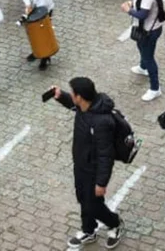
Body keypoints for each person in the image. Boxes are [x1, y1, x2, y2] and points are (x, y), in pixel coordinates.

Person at [51, 77, 126, 249]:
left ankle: (115, 223)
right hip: (81, 164)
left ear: (80, 97)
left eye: (72, 93)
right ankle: (88, 230)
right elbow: (72, 104)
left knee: (93, 205)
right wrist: (60, 95)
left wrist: (101, 183)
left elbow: (105, 155)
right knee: (82, 198)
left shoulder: (102, 122)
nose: (71, 95)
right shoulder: (83, 107)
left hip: (93, 170)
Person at [120, 0, 165, 102]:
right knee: (141, 47)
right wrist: (132, 3)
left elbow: (142, 15)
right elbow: (139, 2)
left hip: (149, 31)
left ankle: (155, 88)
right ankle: (143, 67)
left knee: (149, 57)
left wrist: (128, 10)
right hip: (146, 29)